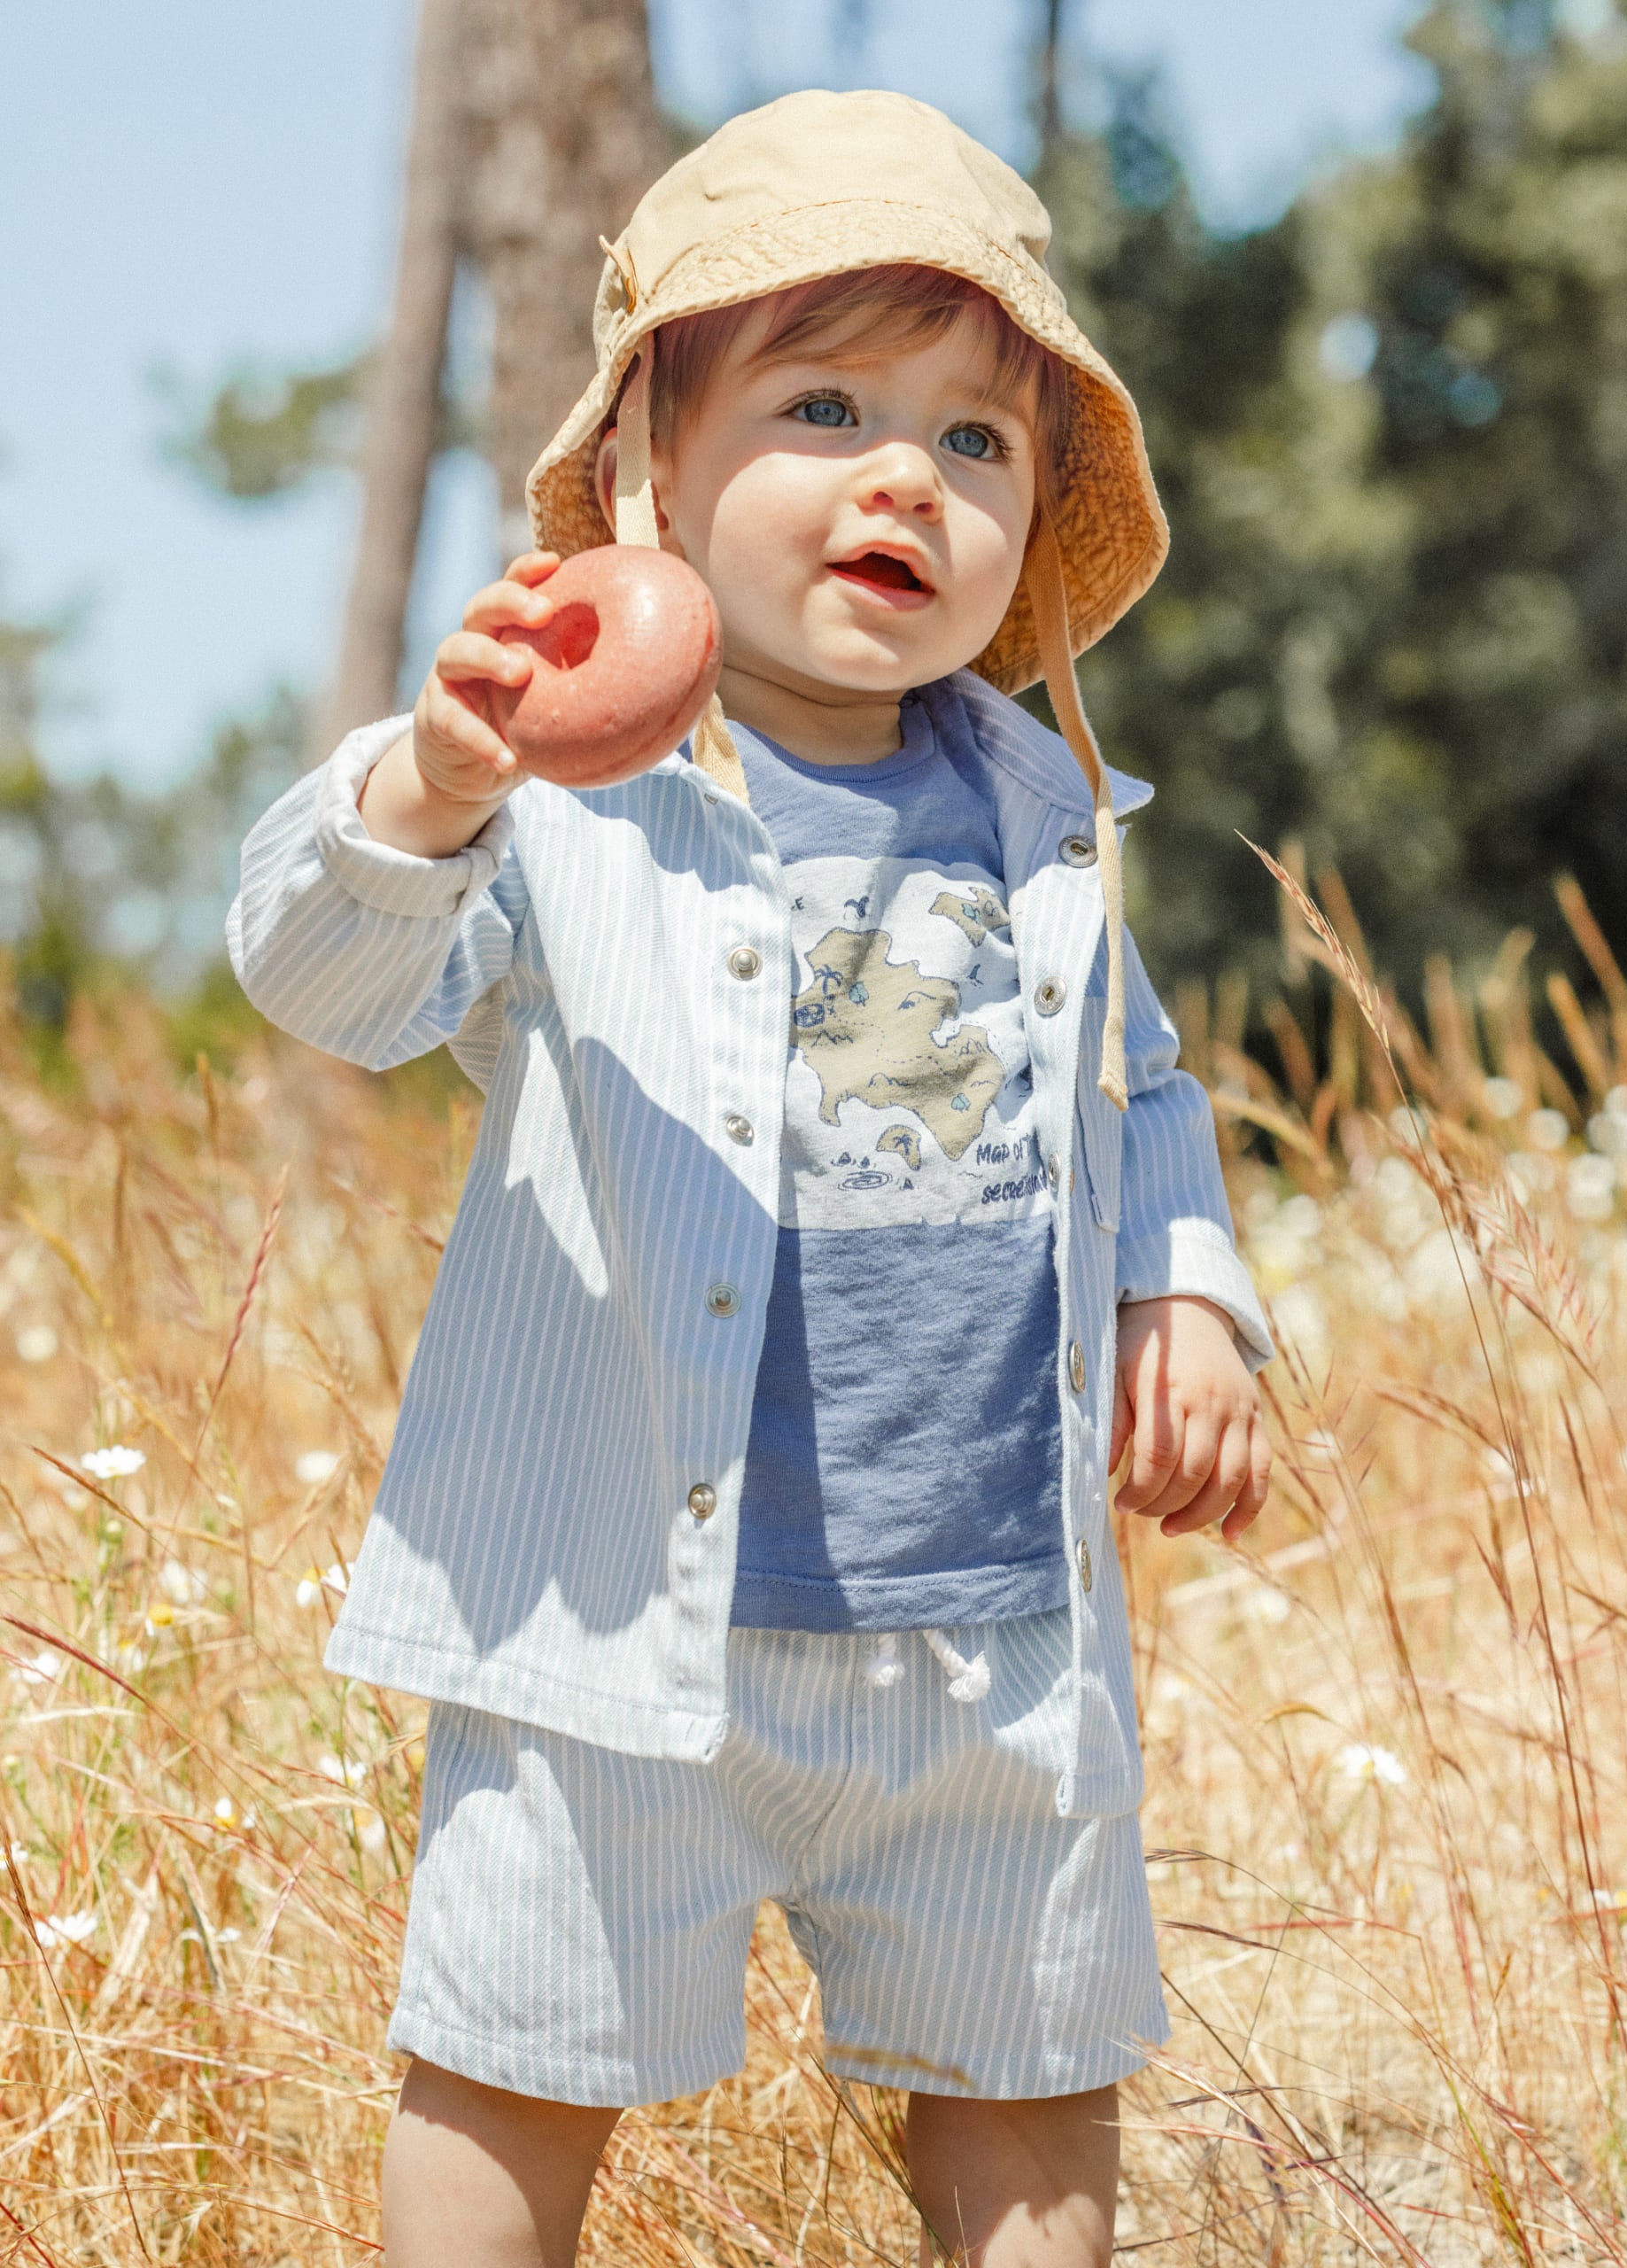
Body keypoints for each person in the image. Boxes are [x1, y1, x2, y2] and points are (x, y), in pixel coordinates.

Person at [229, 87, 1274, 2268]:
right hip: (618, 1617)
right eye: (826, 403)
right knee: (516, 2051)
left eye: (979, 443)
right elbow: (330, 977)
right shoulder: (569, 799)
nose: (910, 471)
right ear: (650, 477)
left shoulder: (1046, 808)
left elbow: (1139, 1088)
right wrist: (426, 786)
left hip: (983, 1619)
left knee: (1030, 2065)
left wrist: (1186, 1290)